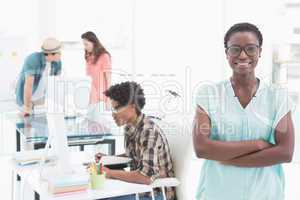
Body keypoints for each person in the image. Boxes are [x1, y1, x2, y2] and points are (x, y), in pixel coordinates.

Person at [193, 22, 295, 200]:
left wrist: (227, 159)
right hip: (217, 193)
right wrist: (258, 145)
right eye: (235, 49)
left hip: (265, 194)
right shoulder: (209, 94)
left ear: (260, 52)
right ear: (226, 53)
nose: (242, 55)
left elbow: (285, 152)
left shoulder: (278, 97)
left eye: (250, 48)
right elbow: (202, 148)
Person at [95, 81, 176, 200]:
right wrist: (108, 159)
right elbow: (134, 156)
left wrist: (110, 173)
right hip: (138, 189)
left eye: (117, 109)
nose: (113, 114)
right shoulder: (129, 127)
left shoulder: (148, 131)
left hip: (155, 194)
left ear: (132, 106)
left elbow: (145, 177)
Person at [15, 37, 62, 116]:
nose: (61, 54)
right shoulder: (33, 59)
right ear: (50, 54)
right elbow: (28, 86)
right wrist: (26, 107)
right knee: (24, 124)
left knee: (42, 125)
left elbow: (56, 84)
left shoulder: (57, 63)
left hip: (41, 100)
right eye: (59, 52)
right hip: (25, 99)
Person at [81, 31, 111, 121]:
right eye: (84, 44)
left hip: (101, 97)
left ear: (93, 42)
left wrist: (109, 98)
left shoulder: (104, 56)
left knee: (99, 124)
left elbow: (108, 78)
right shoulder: (88, 56)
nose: (85, 47)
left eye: (86, 44)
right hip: (90, 95)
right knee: (89, 123)